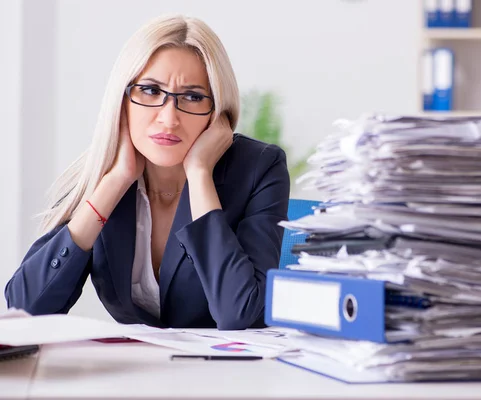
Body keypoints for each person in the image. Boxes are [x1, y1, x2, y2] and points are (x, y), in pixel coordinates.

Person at [4, 15, 290, 329]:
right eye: (151, 91)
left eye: (193, 97)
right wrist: (115, 182)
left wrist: (199, 174)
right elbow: (25, 309)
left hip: (227, 374)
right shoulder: (101, 174)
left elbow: (241, 313)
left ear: (216, 111)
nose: (169, 119)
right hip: (134, 374)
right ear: (122, 99)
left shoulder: (258, 169)